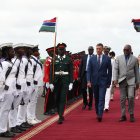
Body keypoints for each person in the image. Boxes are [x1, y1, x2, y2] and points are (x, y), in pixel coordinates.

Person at [113, 45, 140, 122]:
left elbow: (136, 71)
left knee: (131, 97)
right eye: (124, 50)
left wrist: (138, 82)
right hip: (122, 81)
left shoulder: (134, 59)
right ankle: (123, 115)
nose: (125, 51)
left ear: (130, 50)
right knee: (122, 99)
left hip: (131, 80)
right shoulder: (118, 58)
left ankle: (131, 114)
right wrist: (115, 79)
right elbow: (116, 69)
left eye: (127, 50)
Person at [87, 43, 112, 122]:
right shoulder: (92, 59)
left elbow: (110, 71)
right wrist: (88, 81)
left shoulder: (107, 59)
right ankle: (97, 112)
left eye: (99, 49)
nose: (98, 50)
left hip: (103, 82)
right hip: (94, 81)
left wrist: (108, 82)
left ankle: (100, 115)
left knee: (101, 98)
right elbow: (89, 71)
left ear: (102, 49)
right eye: (97, 48)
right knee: (96, 98)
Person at [49, 43, 73, 124]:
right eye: (59, 49)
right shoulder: (54, 59)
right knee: (57, 98)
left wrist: (71, 82)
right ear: (57, 50)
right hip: (56, 81)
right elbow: (51, 72)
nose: (61, 51)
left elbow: (71, 72)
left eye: (62, 49)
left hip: (65, 81)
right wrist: (51, 82)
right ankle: (60, 112)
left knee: (62, 98)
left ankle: (60, 115)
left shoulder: (68, 59)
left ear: (65, 50)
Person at [0, 43, 16, 137]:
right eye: (11, 51)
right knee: (4, 110)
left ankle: (3, 129)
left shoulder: (10, 62)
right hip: (5, 91)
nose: (13, 53)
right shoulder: (5, 64)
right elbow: (2, 79)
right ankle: (2, 130)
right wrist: (1, 93)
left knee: (6, 110)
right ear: (6, 52)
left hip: (11, 90)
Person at [27, 45, 43, 124]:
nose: (38, 52)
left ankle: (33, 117)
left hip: (38, 83)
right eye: (37, 50)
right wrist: (33, 82)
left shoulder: (37, 60)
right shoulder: (32, 60)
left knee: (34, 101)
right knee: (31, 101)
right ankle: (29, 118)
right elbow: (31, 72)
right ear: (34, 52)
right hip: (34, 83)